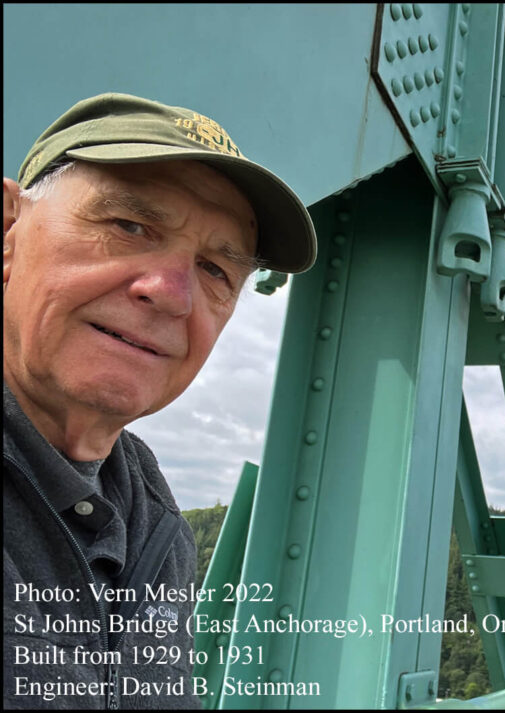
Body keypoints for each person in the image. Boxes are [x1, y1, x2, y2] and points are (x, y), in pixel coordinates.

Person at [3, 93, 316, 709]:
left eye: (215, 270)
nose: (173, 293)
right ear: (9, 231)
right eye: (129, 226)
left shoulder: (153, 519)